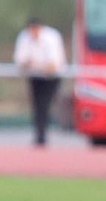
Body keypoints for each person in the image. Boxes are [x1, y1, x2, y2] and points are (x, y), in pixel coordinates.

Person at [13, 16, 66, 148]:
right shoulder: (24, 37)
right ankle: (40, 136)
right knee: (37, 104)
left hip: (52, 77)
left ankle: (42, 135)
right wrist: (38, 66)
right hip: (35, 77)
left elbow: (53, 65)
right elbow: (20, 61)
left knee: (45, 104)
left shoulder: (51, 37)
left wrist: (34, 64)